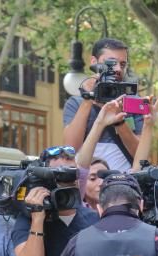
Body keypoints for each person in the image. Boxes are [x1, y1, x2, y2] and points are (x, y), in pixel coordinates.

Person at [62, 38, 143, 171]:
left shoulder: (134, 103)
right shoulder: (76, 103)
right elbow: (70, 149)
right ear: (94, 62)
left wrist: (120, 122)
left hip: (123, 183)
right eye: (111, 63)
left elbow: (141, 156)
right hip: (87, 183)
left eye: (122, 64)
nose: (117, 69)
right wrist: (88, 99)